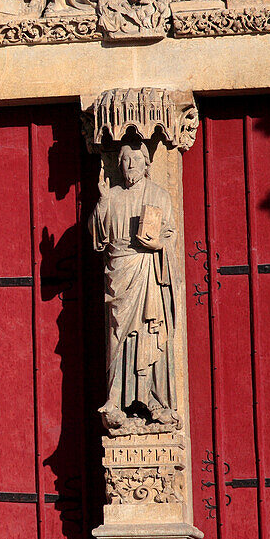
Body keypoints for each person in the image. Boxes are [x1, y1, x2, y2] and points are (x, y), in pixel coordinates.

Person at [91, 142, 178, 430]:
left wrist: (158, 245)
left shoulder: (158, 195)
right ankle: (115, 399)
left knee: (149, 334)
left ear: (146, 164)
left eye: (135, 160)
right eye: (125, 161)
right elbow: (98, 237)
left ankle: (152, 399)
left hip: (148, 274)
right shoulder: (112, 196)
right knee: (119, 335)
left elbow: (170, 238)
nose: (129, 166)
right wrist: (102, 204)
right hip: (121, 274)